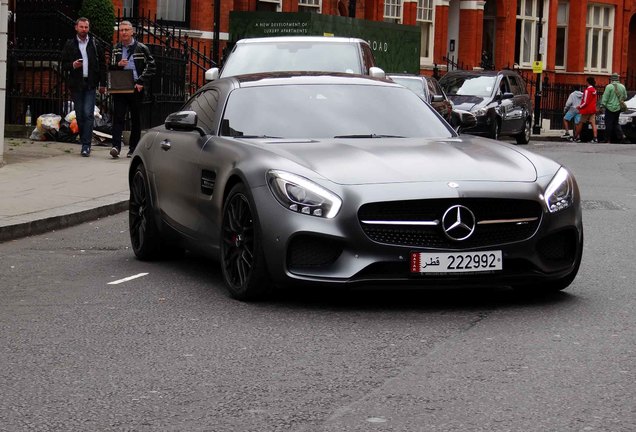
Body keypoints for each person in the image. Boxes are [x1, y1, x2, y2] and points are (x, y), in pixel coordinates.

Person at [109, 20, 156, 158]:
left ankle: (133, 148)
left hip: (136, 86)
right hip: (121, 87)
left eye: (126, 30)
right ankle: (116, 147)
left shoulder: (141, 48)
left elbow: (151, 66)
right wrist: (118, 64)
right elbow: (110, 67)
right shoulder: (116, 48)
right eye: (121, 30)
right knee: (118, 117)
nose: (123, 32)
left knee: (136, 119)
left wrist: (141, 81)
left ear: (132, 32)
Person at [61, 17, 106, 157]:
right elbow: (64, 65)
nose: (84, 30)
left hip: (91, 83)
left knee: (88, 113)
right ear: (76, 27)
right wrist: (73, 65)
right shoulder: (70, 44)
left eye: (86, 27)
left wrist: (103, 83)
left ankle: (86, 145)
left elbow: (102, 64)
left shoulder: (94, 43)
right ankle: (84, 140)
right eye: (81, 27)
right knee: (80, 115)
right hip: (76, 84)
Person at [601, 73, 628, 143]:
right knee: (616, 123)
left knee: (608, 123)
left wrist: (602, 105)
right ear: (618, 79)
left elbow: (605, 98)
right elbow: (625, 97)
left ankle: (607, 139)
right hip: (618, 108)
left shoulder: (609, 87)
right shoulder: (622, 87)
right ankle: (622, 136)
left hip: (609, 107)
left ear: (611, 79)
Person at [574, 76, 598, 143]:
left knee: (580, 123)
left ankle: (576, 137)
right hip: (592, 109)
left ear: (587, 82)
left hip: (586, 110)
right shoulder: (594, 90)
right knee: (593, 123)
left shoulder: (587, 90)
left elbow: (585, 101)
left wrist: (580, 106)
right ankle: (595, 137)